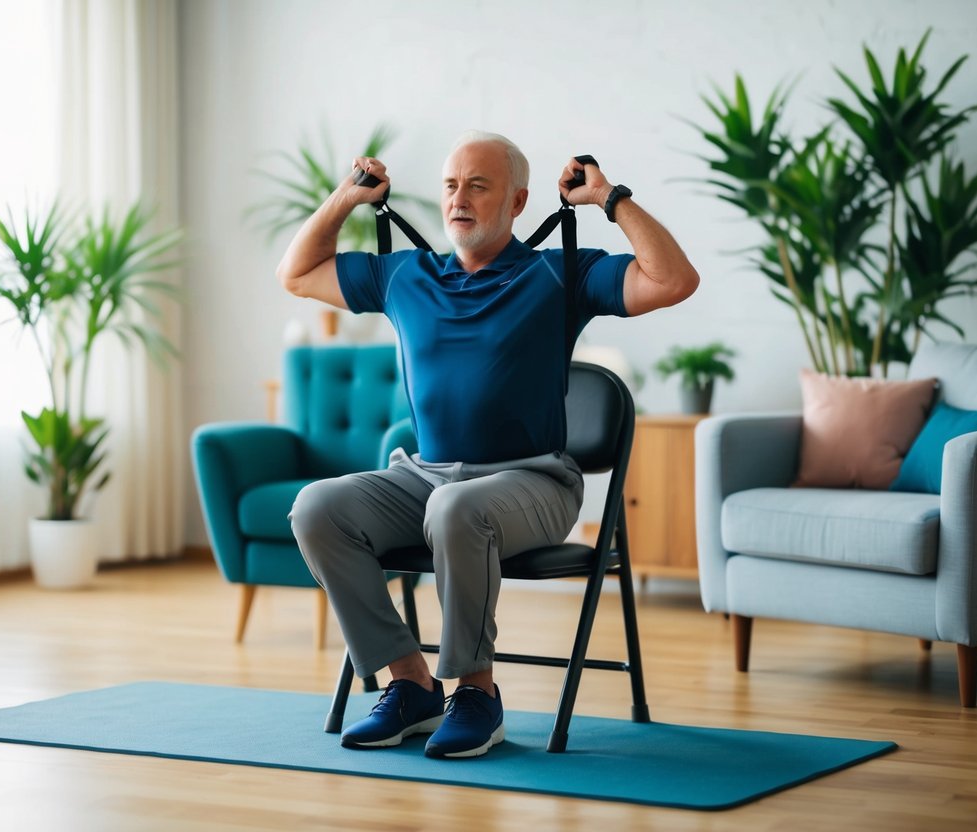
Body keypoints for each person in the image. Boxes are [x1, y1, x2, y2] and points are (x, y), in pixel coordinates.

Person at [280, 131, 698, 758]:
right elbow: (299, 273)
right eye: (451, 185)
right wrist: (346, 198)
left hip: (534, 482)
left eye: (479, 185)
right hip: (424, 476)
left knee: (457, 508)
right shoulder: (405, 276)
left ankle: (476, 694)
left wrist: (609, 198)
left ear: (518, 201)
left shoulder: (560, 273)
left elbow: (673, 280)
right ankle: (410, 683)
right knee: (317, 507)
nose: (459, 199)